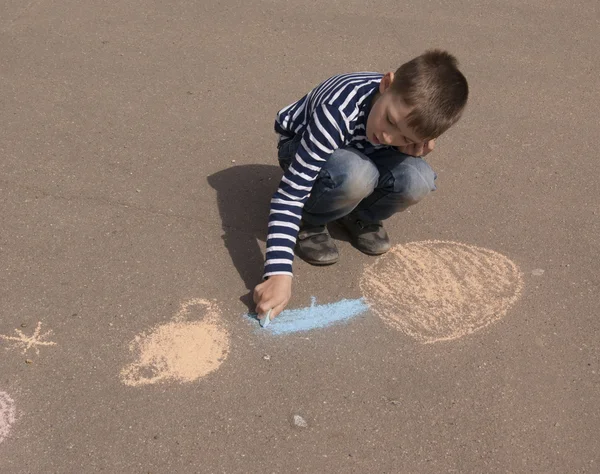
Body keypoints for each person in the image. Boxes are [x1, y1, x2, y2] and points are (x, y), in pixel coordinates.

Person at [253, 49, 469, 322]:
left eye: (405, 136)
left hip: (361, 153)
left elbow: (400, 141)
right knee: (357, 175)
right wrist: (278, 273)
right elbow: (289, 196)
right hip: (303, 148)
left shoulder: (401, 118)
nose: (388, 136)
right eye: (390, 120)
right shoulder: (338, 111)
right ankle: (310, 220)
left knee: (419, 178)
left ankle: (357, 215)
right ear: (386, 84)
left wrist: (414, 150)